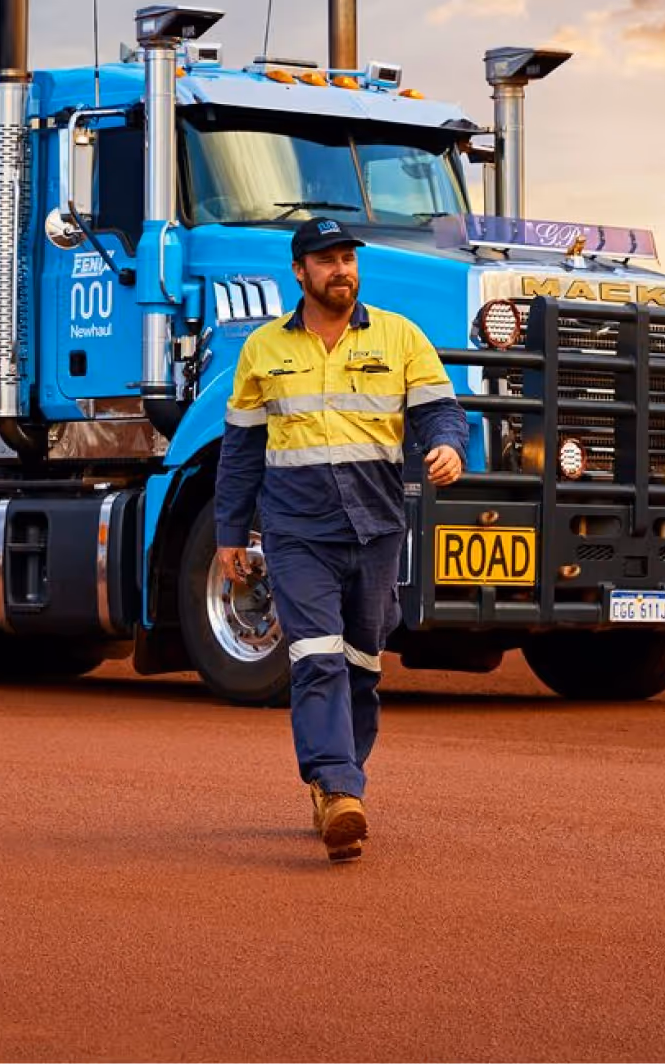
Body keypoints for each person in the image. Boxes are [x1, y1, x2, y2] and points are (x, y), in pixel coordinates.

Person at [215, 217, 468, 862]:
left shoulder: (399, 334)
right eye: (325, 261)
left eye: (347, 259)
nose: (341, 271)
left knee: (362, 664)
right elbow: (241, 451)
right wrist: (228, 534)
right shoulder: (262, 350)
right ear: (299, 272)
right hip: (297, 531)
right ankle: (336, 782)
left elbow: (440, 407)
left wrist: (445, 444)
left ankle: (337, 789)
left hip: (377, 527)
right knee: (316, 656)